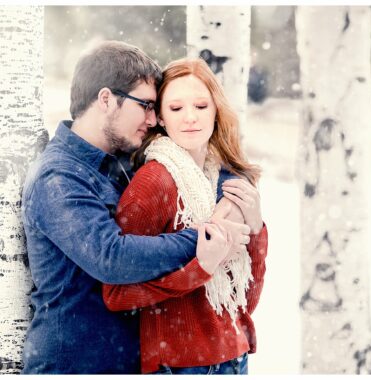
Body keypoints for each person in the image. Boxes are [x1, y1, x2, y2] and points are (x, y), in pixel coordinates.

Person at [21, 41, 252, 374]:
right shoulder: (58, 175)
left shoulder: (124, 163)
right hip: (74, 365)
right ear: (105, 99)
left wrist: (242, 211)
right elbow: (111, 257)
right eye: (144, 105)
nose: (152, 118)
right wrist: (207, 236)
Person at [102, 58, 268, 375]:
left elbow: (244, 300)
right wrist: (200, 268)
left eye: (201, 106)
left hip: (235, 358)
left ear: (216, 110)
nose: (190, 118)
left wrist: (257, 228)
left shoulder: (224, 180)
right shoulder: (153, 183)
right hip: (181, 365)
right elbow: (116, 294)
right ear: (160, 118)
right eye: (176, 109)